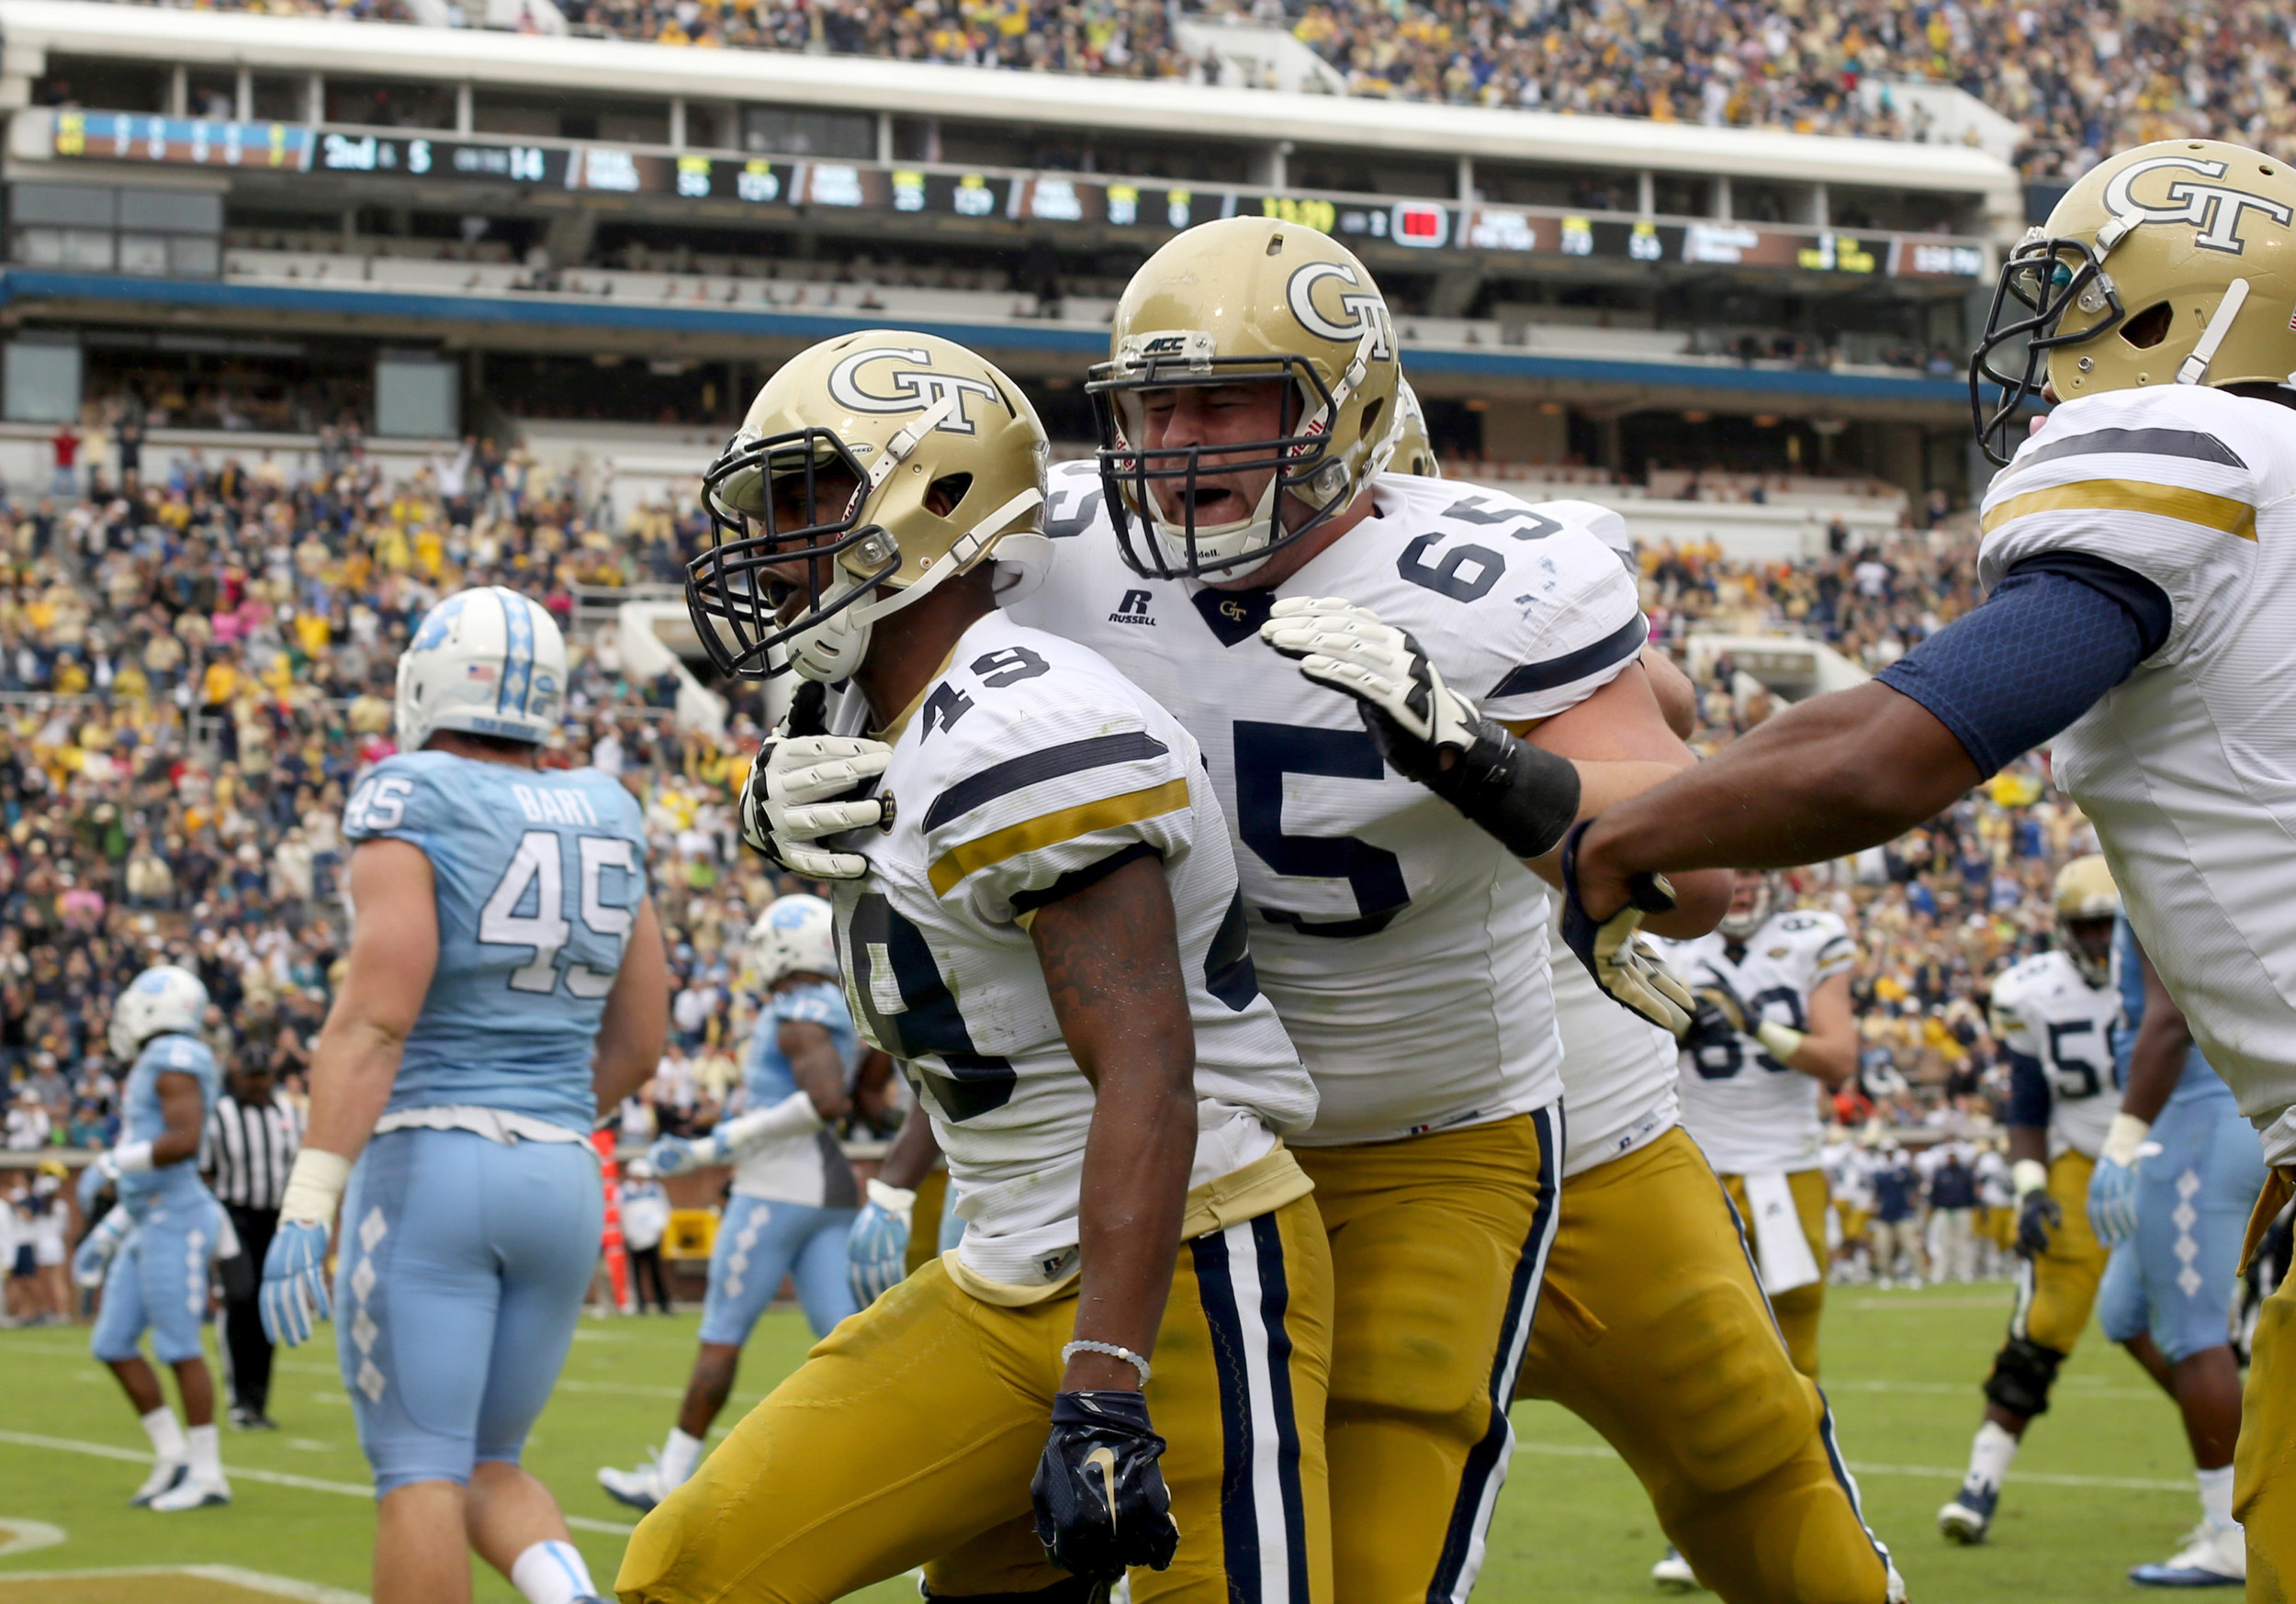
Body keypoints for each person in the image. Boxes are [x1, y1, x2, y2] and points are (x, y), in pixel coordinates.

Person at [1009, 221, 1898, 1604]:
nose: (1181, 453)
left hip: (1553, 1118)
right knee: (1288, 1557)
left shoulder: (1511, 585)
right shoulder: (1066, 556)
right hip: (1261, 1153)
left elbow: (1702, 863)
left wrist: (1483, 755)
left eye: (1227, 409)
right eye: (1154, 409)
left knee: (1749, 1446)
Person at [1556, 137, 2296, 1586]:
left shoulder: (2193, 460)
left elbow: (1890, 754)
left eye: (2084, 301)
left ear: (2180, 315)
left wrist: (1600, 833)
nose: (2049, 341)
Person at [622, 331, 1329, 1603]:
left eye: (805, 498)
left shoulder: (1023, 723)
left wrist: (1107, 1381)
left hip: (1178, 1264)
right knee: (692, 1566)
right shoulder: (854, 707)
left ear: (933, 497)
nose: (772, 547)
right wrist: (758, 799)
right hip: (1004, 1258)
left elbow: (1149, 1071)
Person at [256, 584, 668, 1604]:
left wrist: (310, 1196)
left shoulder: (412, 792)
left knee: (418, 1471)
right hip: (566, 1170)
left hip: (434, 1159)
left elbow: (372, 1018)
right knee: (493, 1462)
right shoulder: (609, 807)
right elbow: (644, 1040)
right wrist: (542, 1124)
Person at [599, 892, 867, 1513]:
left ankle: (670, 1474)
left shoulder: (796, 1010)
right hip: (827, 1191)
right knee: (848, 1344)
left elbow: (826, 1100)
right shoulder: (838, 1005)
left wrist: (712, 1145)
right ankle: (885, 1471)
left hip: (775, 1192)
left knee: (721, 1334)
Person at [1939, 855, 2127, 1543]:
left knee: (2203, 1335)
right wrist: (2031, 1188)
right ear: (2063, 928)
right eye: (2089, 927)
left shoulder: (2170, 963)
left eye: (2112, 926)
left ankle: (2232, 1483)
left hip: (2175, 1154)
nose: (2104, 942)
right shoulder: (2030, 990)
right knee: (2042, 1325)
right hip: (2079, 1158)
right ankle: (1980, 1484)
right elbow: (2027, 1103)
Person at [2088, 921, 2268, 1586]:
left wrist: (2121, 1139)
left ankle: (2231, 1532)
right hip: (2191, 1116)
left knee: (2193, 1333)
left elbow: (2168, 1019)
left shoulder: (2157, 847)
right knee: (2126, 1313)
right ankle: (2264, 1475)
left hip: (2199, 1115)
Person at [1659, 870, 1863, 1376]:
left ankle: (1803, 1449)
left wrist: (1753, 1024)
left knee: (1795, 1342)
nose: (1741, 885)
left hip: (1786, 1162)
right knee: (1696, 1333)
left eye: (1750, 871)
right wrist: (1678, 1028)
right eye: (1729, 871)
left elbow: (1838, 1060)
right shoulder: (1663, 944)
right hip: (1695, 1162)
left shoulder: (1810, 938)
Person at [73, 964, 231, 1510]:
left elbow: (184, 1142)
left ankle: (209, 1473)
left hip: (178, 1217)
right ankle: (174, 1455)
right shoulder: (156, 1060)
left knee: (179, 1347)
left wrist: (113, 1162)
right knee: (111, 1343)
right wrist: (114, 1227)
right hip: (148, 1216)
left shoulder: (175, 1058)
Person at [202, 1053, 303, 1430]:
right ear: (238, 1076)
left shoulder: (291, 1115)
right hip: (234, 1217)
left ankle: (257, 1402)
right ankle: (238, 1400)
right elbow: (204, 1170)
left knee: (268, 1307)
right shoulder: (221, 1115)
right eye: (251, 1076)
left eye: (263, 1076)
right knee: (240, 1298)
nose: (258, 1083)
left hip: (276, 1218)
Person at [617, 1159, 671, 1316]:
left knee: (657, 1272)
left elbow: (663, 1210)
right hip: (633, 1237)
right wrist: (628, 1233)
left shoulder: (655, 1190)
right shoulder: (624, 1192)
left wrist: (660, 1229)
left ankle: (663, 1305)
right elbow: (621, 1215)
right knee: (635, 1274)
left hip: (652, 1236)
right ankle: (640, 1306)